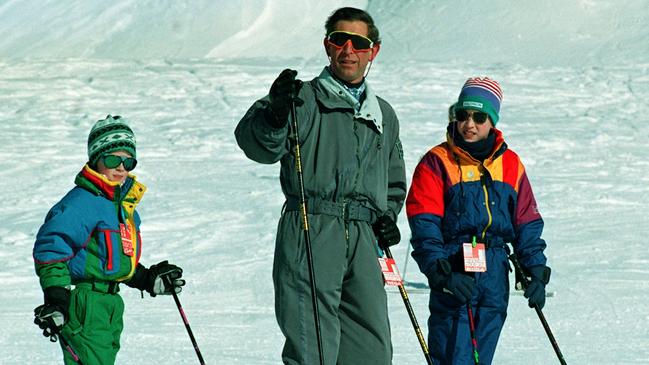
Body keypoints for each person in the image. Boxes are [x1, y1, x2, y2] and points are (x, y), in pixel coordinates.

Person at [234, 7, 407, 365]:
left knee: (371, 349)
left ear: (373, 50)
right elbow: (257, 146)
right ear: (327, 47)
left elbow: (393, 181)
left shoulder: (384, 114)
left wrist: (386, 216)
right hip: (313, 228)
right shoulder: (302, 99)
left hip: (363, 236)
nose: (348, 50)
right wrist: (274, 115)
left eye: (358, 43)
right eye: (338, 41)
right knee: (313, 347)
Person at [406, 78, 551, 364]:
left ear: (492, 121)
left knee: (480, 358)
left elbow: (526, 221)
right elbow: (424, 224)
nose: (469, 124)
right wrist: (441, 271)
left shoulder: (510, 164)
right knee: (453, 356)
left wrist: (535, 268)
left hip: (495, 271)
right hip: (456, 268)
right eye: (463, 115)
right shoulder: (437, 162)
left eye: (479, 117)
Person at [32, 115, 186, 365]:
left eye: (129, 161)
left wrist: (147, 279)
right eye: (113, 159)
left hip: (110, 306)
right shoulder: (83, 202)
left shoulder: (121, 207)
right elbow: (51, 250)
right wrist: (57, 300)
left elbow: (108, 261)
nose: (121, 167)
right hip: (86, 305)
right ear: (96, 158)